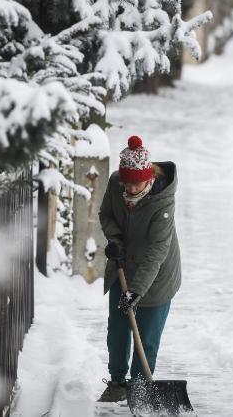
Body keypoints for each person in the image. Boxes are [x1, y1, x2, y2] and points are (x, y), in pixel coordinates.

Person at [97, 135, 182, 402]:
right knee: (118, 331)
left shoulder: (162, 204)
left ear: (150, 179)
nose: (130, 190)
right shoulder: (116, 183)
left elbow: (157, 253)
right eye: (126, 184)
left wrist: (136, 292)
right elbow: (106, 214)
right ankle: (118, 383)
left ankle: (140, 389)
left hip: (155, 278)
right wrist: (116, 241)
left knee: (145, 337)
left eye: (136, 184)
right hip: (123, 268)